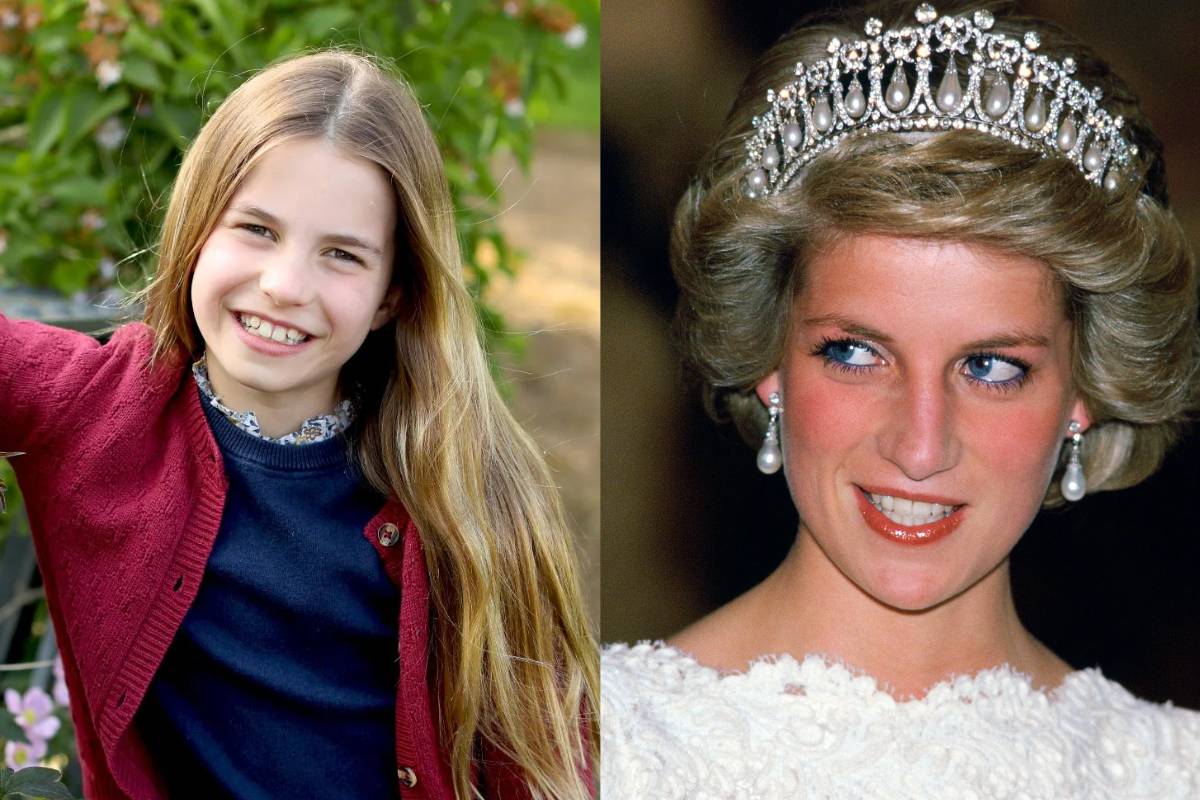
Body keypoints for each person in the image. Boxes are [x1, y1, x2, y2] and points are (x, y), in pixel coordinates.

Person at [602, 1, 1200, 797]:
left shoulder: (1171, 768)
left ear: (1085, 391)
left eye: (991, 367)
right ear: (769, 362)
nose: (920, 447)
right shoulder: (600, 745)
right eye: (855, 354)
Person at [0, 51, 596, 799]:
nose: (285, 287)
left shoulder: (469, 490)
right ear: (195, 233)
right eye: (255, 229)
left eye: (341, 255)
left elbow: (547, 763)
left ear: (392, 296)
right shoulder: (94, 410)